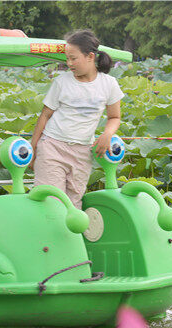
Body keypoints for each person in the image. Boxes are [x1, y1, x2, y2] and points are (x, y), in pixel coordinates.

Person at [30, 29, 123, 209]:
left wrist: (107, 134)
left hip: (82, 152)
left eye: (73, 58)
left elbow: (114, 117)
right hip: (53, 147)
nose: (69, 63)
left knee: (74, 204)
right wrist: (33, 148)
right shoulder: (62, 82)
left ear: (90, 56)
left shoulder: (109, 84)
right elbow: (45, 115)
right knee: (52, 202)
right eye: (67, 59)